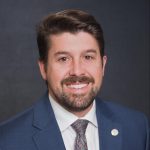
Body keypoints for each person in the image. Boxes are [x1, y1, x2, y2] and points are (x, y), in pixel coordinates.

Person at [0, 9, 149, 150]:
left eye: (88, 57)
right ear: (43, 68)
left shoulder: (137, 128)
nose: (77, 71)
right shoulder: (6, 140)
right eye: (63, 59)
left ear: (103, 65)